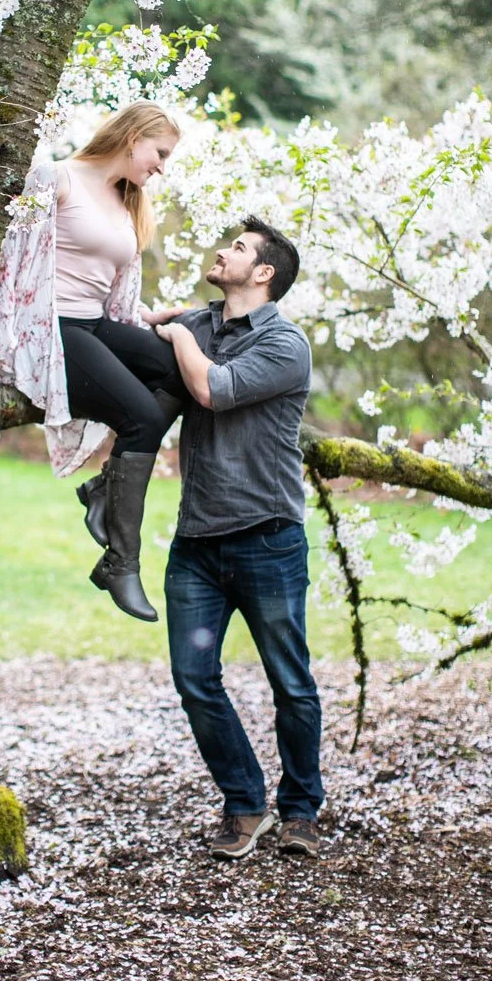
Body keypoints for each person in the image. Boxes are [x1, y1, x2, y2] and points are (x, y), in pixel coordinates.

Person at [0, 102, 188, 623]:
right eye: (159, 153)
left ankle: (103, 488)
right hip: (53, 330)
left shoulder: (127, 203)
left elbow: (108, 288)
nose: (161, 166)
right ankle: (122, 562)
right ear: (134, 136)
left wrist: (147, 318)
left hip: (94, 325)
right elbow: (12, 265)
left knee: (177, 368)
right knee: (139, 416)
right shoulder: (56, 178)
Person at [154, 217, 323, 861]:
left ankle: (301, 809)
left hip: (268, 541)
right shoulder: (199, 324)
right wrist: (165, 322)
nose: (224, 250)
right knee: (194, 677)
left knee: (291, 683)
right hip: (196, 544)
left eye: (241, 248)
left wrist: (174, 331)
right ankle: (244, 801)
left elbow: (212, 389)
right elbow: (142, 324)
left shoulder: (285, 345)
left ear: (264, 274)